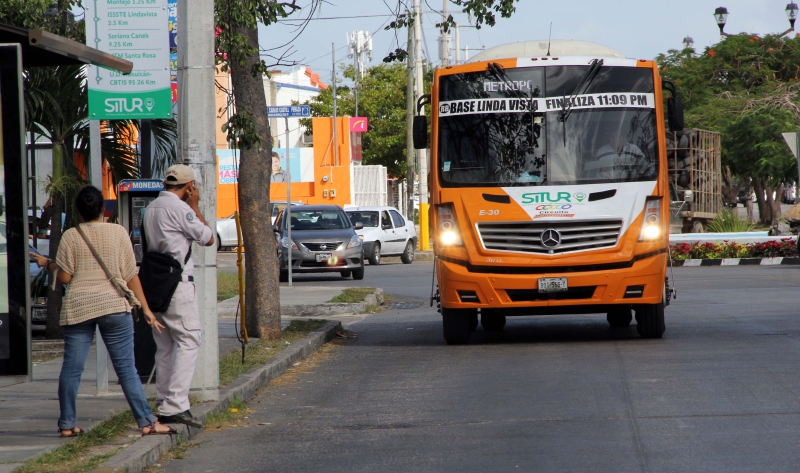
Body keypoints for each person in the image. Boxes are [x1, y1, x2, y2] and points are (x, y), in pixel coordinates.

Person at [29, 186, 174, 437]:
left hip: (79, 307)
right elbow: (130, 275)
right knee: (126, 368)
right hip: (114, 305)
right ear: (103, 209)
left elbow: (65, 277)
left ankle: (67, 425)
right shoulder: (119, 232)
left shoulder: (71, 236)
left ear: (78, 212)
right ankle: (147, 423)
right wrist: (146, 309)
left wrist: (48, 264)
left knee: (72, 368)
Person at [143, 164, 214, 428]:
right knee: (189, 339)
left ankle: (164, 400)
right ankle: (175, 405)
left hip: (155, 284)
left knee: (165, 346)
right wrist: (195, 206)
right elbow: (208, 238)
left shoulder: (151, 208)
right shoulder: (181, 209)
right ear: (189, 187)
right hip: (178, 285)